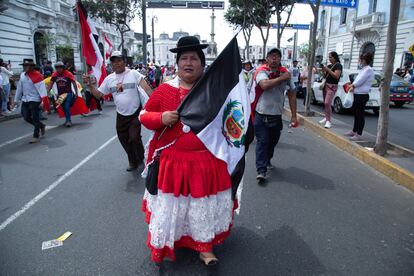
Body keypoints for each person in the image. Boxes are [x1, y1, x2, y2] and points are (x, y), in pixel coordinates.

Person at [139, 36, 237, 265]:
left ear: (202, 64)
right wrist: (161, 117)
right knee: (173, 206)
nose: (188, 63)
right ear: (177, 63)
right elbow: (143, 116)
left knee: (201, 206)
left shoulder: (215, 92)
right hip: (173, 163)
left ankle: (205, 248)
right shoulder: (164, 91)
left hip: (208, 161)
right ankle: (166, 243)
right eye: (184, 58)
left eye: (194, 58)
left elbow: (232, 118)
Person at [84, 51, 152, 171]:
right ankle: (132, 161)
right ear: (111, 64)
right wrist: (90, 86)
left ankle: (140, 157)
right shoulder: (109, 79)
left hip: (136, 112)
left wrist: (155, 103)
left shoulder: (134, 74)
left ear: (124, 62)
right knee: (123, 139)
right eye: (114, 61)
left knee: (134, 137)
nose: (117, 63)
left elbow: (146, 88)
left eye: (119, 60)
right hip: (121, 114)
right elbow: (99, 95)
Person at [252, 48, 292, 182]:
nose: (274, 58)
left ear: (280, 59)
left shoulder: (285, 73)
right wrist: (282, 78)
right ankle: (261, 170)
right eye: (272, 56)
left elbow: (292, 94)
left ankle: (267, 159)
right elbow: (264, 85)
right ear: (267, 59)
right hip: (260, 114)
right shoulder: (261, 71)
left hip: (276, 115)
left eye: (277, 56)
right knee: (262, 142)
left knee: (272, 142)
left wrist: (294, 115)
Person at [14, 59, 47, 143]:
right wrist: (16, 99)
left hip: (35, 99)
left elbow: (42, 89)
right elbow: (19, 88)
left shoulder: (38, 75)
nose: (24, 67)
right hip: (25, 99)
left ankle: (36, 136)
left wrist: (43, 101)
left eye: (26, 65)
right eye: (24, 66)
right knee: (26, 117)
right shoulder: (22, 75)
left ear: (32, 67)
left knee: (35, 118)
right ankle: (41, 125)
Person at [344, 53, 375, 141]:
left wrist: (352, 86)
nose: (359, 61)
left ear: (364, 60)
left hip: (362, 95)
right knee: (356, 113)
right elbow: (358, 80)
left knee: (360, 115)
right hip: (358, 94)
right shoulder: (364, 69)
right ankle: (354, 130)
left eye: (361, 59)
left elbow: (360, 81)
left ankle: (359, 133)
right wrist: (352, 86)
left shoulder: (368, 70)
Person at [47, 61, 79, 127]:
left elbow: (74, 83)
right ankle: (67, 119)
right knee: (62, 107)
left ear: (63, 68)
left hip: (68, 93)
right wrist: (47, 92)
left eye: (60, 68)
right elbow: (51, 83)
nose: (59, 69)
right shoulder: (55, 74)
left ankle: (69, 121)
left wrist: (76, 93)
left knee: (67, 106)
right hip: (60, 94)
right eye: (57, 68)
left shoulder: (68, 74)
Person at [319, 51, 342, 129]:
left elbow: (336, 76)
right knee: (325, 103)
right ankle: (326, 117)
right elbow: (326, 76)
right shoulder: (329, 65)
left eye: (331, 57)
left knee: (327, 103)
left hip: (332, 86)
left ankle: (328, 121)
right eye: (329, 57)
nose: (329, 59)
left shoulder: (338, 65)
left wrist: (328, 70)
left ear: (335, 57)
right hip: (325, 85)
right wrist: (323, 70)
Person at [288, 60, 300, 127]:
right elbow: (289, 76)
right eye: (295, 62)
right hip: (291, 82)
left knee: (293, 97)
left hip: (296, 82)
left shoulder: (297, 69)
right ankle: (293, 117)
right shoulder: (290, 69)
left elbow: (298, 75)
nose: (296, 63)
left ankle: (293, 118)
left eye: (296, 62)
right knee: (292, 97)